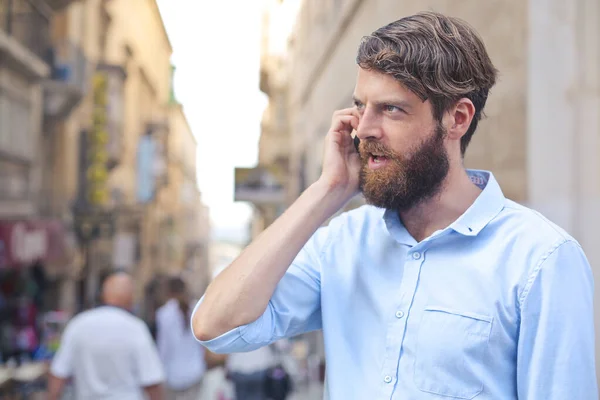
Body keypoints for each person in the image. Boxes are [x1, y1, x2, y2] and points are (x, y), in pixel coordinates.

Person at [191, 11, 597, 399]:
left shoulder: (540, 259)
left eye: (391, 109)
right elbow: (216, 325)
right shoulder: (341, 243)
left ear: (457, 119)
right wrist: (326, 191)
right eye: (360, 107)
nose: (364, 129)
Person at [48, 271, 165, 400]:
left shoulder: (78, 324)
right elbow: (151, 381)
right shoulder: (136, 328)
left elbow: (58, 375)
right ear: (131, 298)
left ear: (103, 295)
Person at [156, 277, 206, 400]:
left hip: (172, 374)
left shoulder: (163, 313)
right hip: (195, 371)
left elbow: (163, 347)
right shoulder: (197, 308)